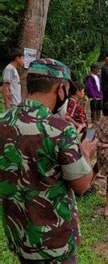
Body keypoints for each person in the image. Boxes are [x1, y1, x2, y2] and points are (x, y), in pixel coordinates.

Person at [0, 58, 97, 263]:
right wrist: (86, 152)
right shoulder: (60, 130)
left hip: (20, 237)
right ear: (60, 88)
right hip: (55, 245)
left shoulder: (3, 122)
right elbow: (82, 185)